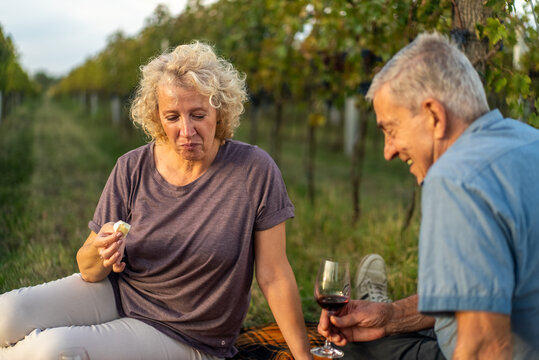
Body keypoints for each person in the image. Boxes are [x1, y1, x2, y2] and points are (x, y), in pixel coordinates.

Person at [0, 41, 313, 360]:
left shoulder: (254, 171)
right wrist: (103, 249)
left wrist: (304, 356)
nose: (186, 130)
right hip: (120, 295)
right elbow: (89, 270)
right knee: (5, 315)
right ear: (157, 116)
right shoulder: (132, 167)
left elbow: (274, 275)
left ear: (219, 110)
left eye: (198, 114)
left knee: (54, 351)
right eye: (173, 117)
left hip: (187, 335)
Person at [317, 32, 539, 359]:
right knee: (368, 336)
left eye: (390, 130)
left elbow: (486, 347)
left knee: (351, 353)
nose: (387, 151)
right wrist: (392, 316)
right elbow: (491, 291)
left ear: (434, 115)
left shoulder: (455, 178)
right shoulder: (528, 142)